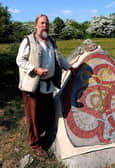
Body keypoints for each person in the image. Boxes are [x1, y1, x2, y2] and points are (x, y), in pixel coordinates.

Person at [16, 14, 74, 158]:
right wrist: (35, 69)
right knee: (33, 117)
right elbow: (20, 60)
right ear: (36, 25)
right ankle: (35, 145)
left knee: (46, 113)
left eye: (47, 23)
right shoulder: (28, 40)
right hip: (32, 85)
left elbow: (58, 56)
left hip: (48, 84)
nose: (44, 26)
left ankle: (45, 138)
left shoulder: (51, 41)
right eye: (42, 23)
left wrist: (70, 67)